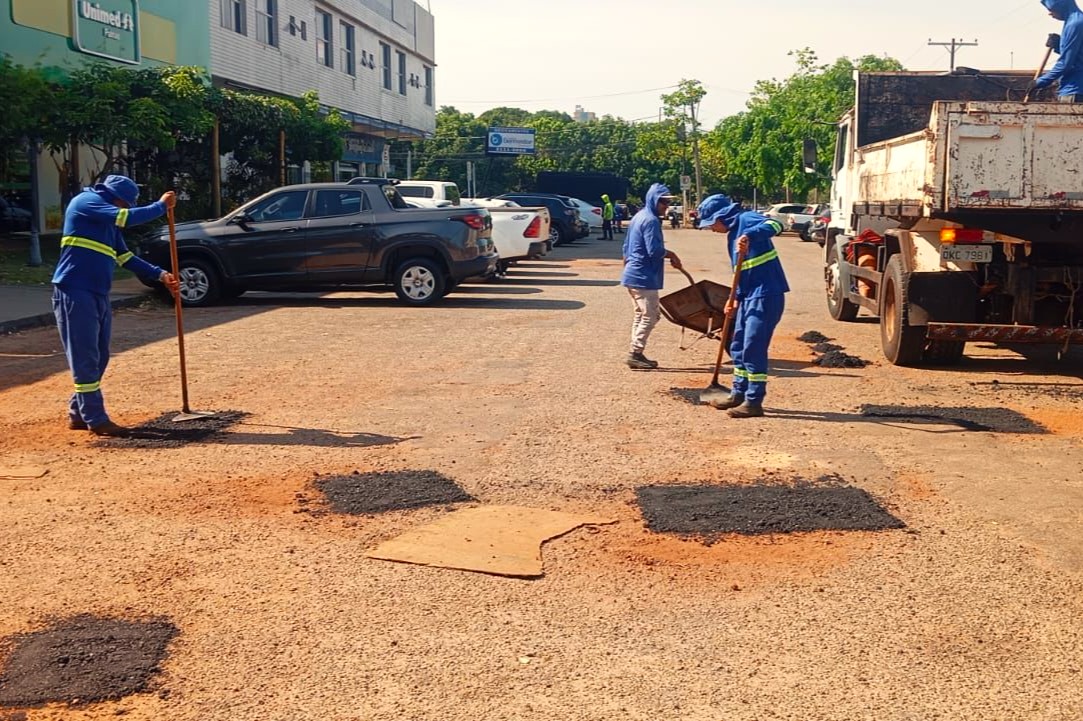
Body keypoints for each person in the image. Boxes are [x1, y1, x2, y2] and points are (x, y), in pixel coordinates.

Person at [52, 175, 180, 436]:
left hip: (98, 293)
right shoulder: (86, 202)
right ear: (115, 197)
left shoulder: (107, 224)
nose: (125, 207)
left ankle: (79, 412)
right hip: (74, 290)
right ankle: (96, 419)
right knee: (85, 356)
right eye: (125, 203)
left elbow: (125, 257)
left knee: (99, 354)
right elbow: (126, 218)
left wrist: (160, 274)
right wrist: (161, 206)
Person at [697, 193, 789, 418]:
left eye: (711, 224)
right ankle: (738, 392)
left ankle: (754, 401)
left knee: (753, 347)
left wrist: (751, 235)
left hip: (766, 295)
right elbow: (742, 272)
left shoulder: (746, 220)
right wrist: (733, 298)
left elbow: (777, 224)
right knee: (737, 344)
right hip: (747, 296)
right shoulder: (731, 237)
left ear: (722, 217)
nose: (711, 229)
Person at [621, 183, 682, 369]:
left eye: (667, 202)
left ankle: (636, 352)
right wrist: (672, 255)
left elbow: (626, 247)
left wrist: (627, 267)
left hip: (633, 274)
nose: (666, 206)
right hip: (643, 276)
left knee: (640, 314)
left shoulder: (639, 216)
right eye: (663, 202)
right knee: (652, 316)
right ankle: (635, 353)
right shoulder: (651, 221)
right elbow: (654, 251)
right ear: (654, 201)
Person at [1033, 0, 1083, 101]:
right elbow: (1078, 55)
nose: (1050, 13)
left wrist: (1039, 82)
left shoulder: (1075, 24)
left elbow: (1065, 63)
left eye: (1051, 9)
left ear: (1060, 5)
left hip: (1074, 89)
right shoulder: (1074, 21)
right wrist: (1058, 46)